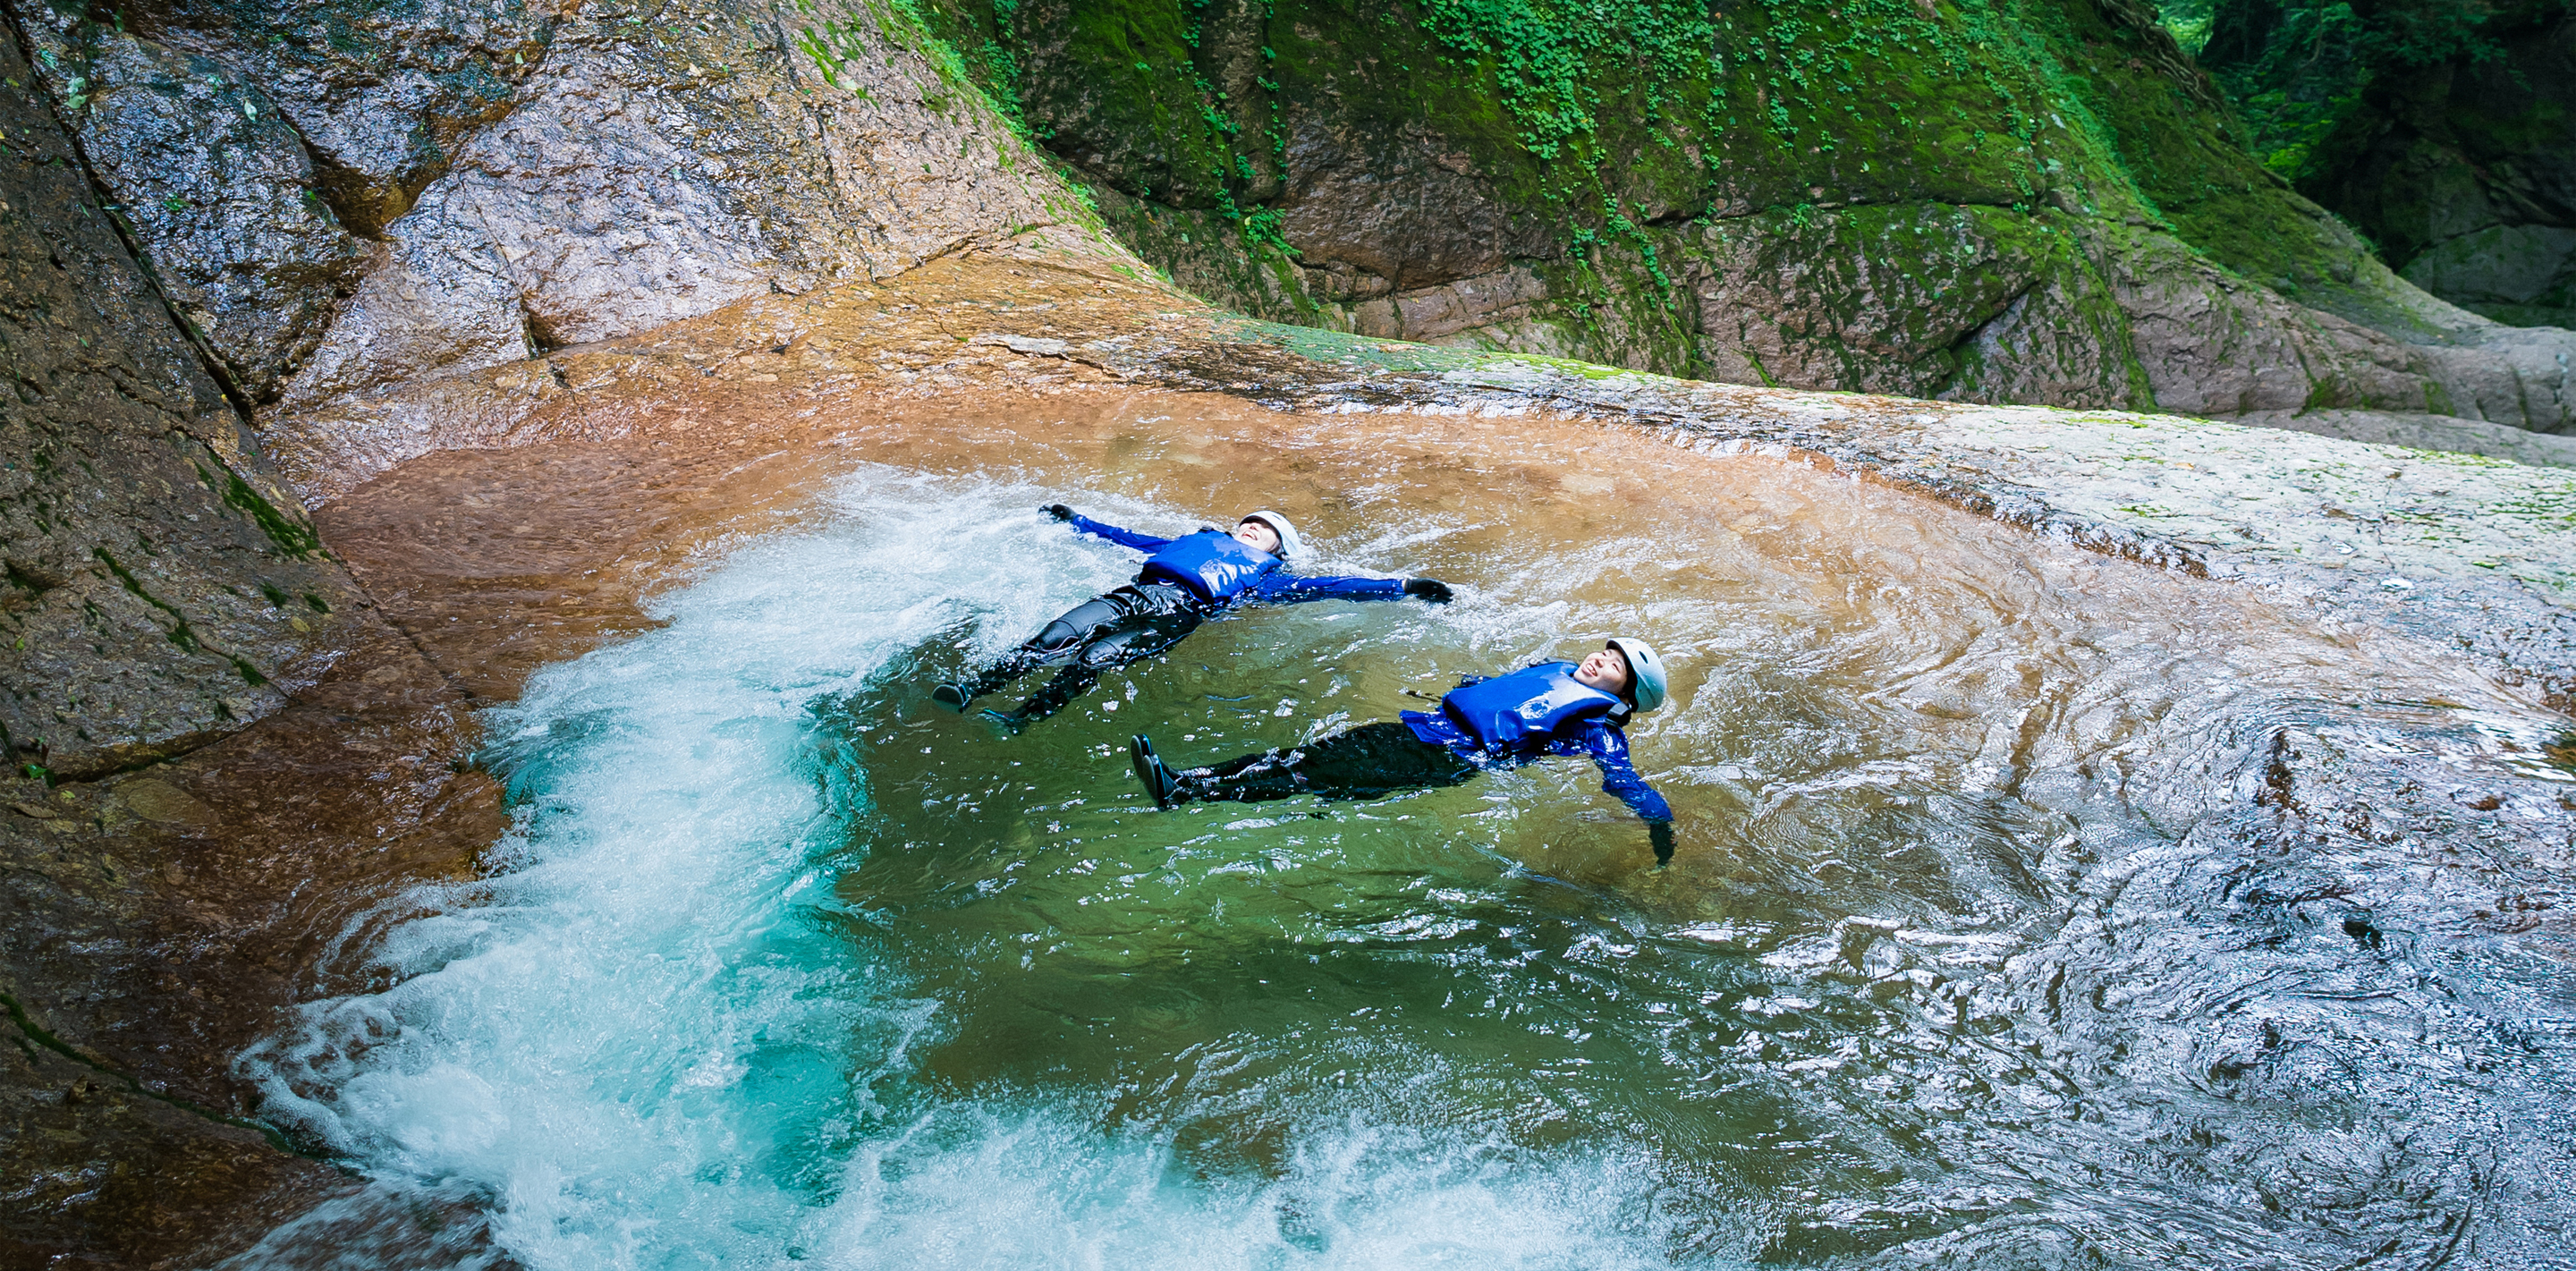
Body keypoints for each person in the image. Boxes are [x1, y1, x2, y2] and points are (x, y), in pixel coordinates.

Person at [1127, 638, 1680, 863]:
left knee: (1310, 777)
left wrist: (1659, 823)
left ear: (1626, 694)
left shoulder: (1599, 729)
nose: (1597, 661)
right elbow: (1495, 692)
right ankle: (1187, 778)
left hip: (1446, 759)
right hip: (1418, 729)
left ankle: (1185, 793)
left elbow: (1621, 778)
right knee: (1299, 756)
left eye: (1613, 666)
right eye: (1602, 651)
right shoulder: (1555, 675)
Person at [933, 505, 1455, 730]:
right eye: (1249, 521)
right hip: (1135, 594)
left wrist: (1403, 586)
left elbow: (1331, 587)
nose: (1252, 527)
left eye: (1265, 529)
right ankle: (972, 687)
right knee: (1056, 635)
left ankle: (1023, 718)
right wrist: (1078, 522)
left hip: (1181, 615)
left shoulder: (1269, 578)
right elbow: (1126, 537)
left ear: (1278, 549)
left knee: (1096, 656)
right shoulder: (1195, 540)